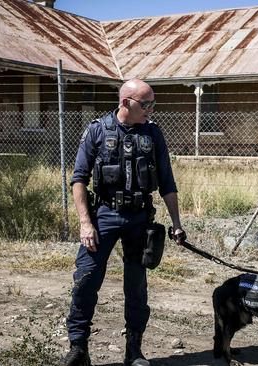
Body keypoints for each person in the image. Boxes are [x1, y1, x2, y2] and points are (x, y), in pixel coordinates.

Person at [63, 79, 186, 366]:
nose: (150, 109)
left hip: (139, 218)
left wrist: (177, 223)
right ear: (125, 102)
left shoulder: (153, 133)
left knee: (136, 285)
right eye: (145, 104)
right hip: (103, 215)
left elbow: (167, 182)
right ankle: (78, 349)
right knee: (86, 279)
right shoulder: (97, 130)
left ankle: (134, 350)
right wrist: (85, 223)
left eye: (152, 103)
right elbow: (79, 179)